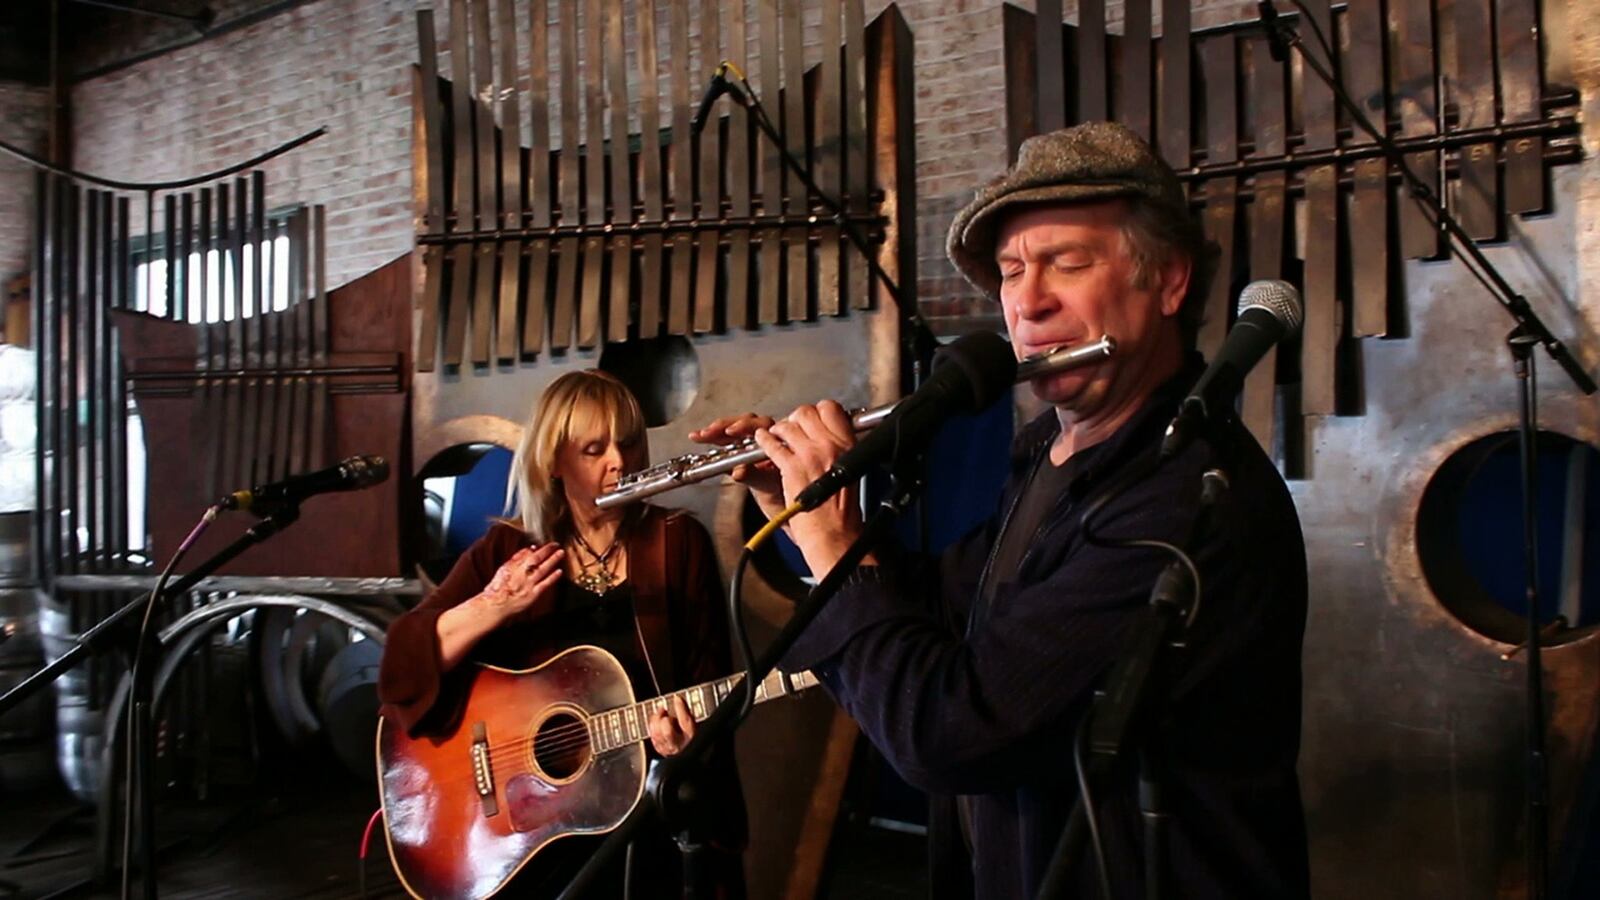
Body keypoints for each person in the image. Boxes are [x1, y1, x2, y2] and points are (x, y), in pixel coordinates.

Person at [692, 122, 1309, 899]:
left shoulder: (1185, 498)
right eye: (1013, 272)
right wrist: (798, 508)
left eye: (1068, 264)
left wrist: (831, 539)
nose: (1027, 302)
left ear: (1171, 280)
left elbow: (948, 733)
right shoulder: (1047, 454)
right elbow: (935, 609)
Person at [379, 369, 746, 898]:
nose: (619, 462)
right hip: (534, 824)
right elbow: (401, 667)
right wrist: (492, 605)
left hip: (645, 815)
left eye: (628, 443)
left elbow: (709, 679)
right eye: (594, 449)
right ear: (554, 462)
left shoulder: (677, 540)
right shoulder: (506, 551)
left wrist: (686, 746)